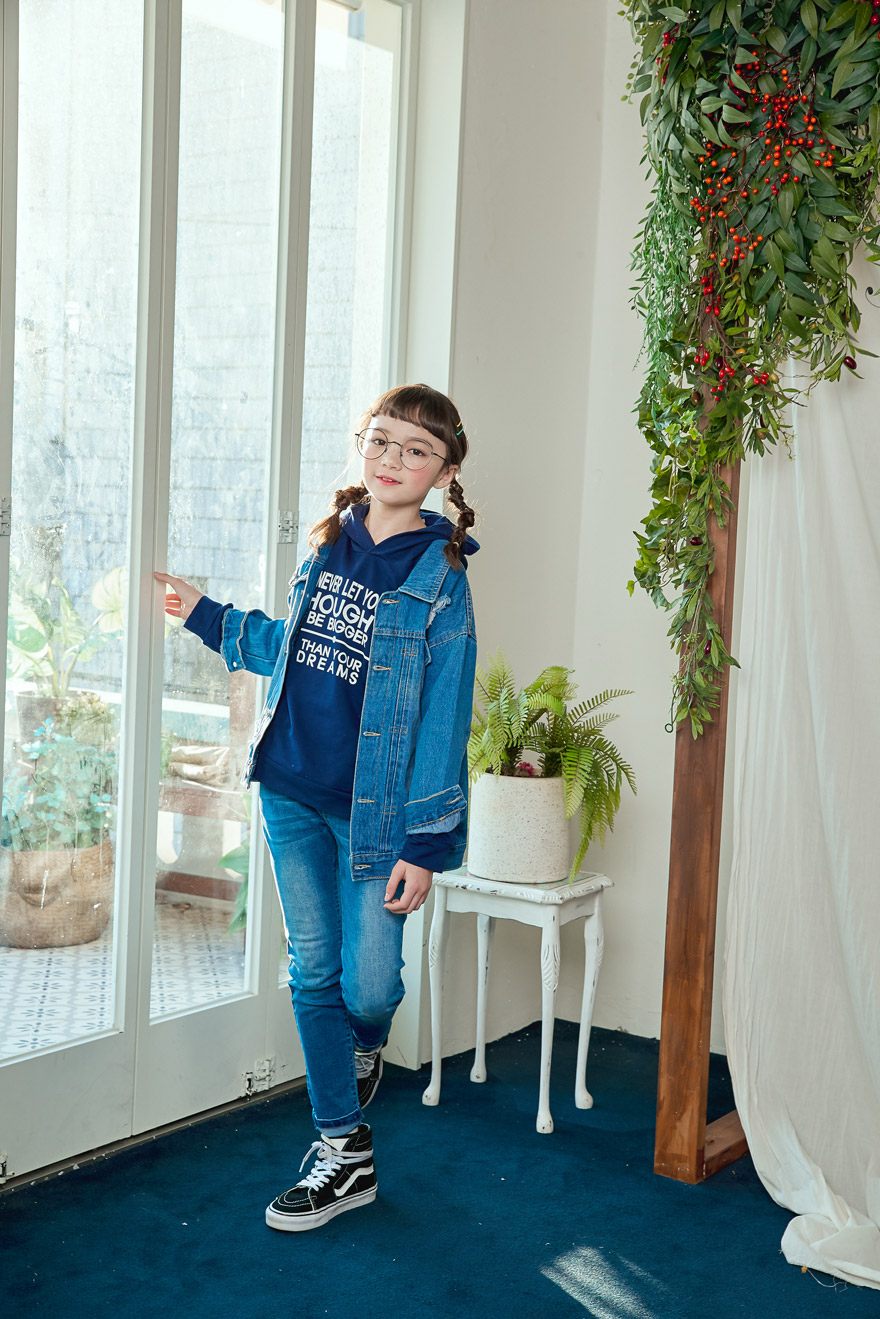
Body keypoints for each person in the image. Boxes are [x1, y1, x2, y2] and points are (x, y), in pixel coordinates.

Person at [154, 383, 479, 1232]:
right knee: (312, 970)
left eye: (416, 449)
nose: (393, 459)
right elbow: (292, 647)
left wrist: (427, 842)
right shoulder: (331, 542)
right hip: (291, 789)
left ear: (444, 471)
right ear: (361, 446)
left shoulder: (441, 578)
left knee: (369, 984)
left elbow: (444, 716)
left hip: (377, 816)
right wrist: (205, 614)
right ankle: (344, 1147)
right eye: (381, 440)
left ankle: (362, 1042)